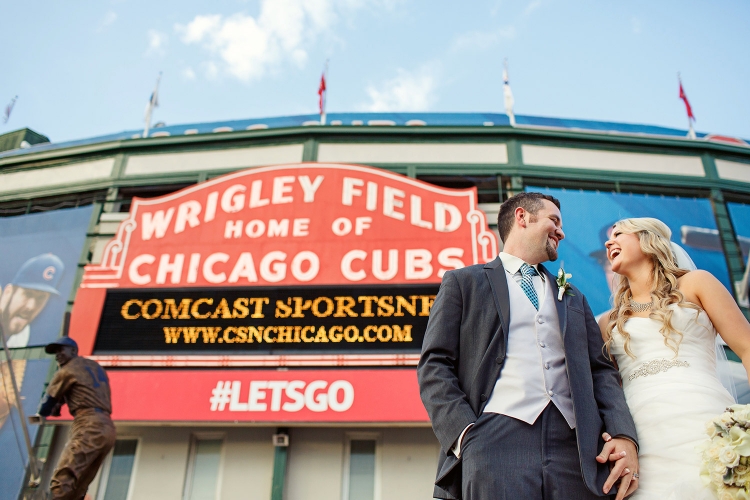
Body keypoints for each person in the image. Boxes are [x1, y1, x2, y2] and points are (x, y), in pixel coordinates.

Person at [418, 192, 639, 500]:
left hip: (575, 449)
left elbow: (600, 371)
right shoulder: (464, 282)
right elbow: (435, 364)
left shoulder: (573, 296)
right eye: (554, 221)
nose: (561, 232)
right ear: (522, 217)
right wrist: (465, 434)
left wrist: (623, 434)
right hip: (494, 440)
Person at [599, 217, 750, 499]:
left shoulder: (697, 283)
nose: (609, 242)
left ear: (648, 239)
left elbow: (746, 346)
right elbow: (608, 390)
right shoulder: (608, 323)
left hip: (704, 418)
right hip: (643, 436)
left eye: (619, 234)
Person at [35, 337, 116, 500]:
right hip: (107, 427)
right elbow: (85, 391)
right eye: (55, 352)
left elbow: (47, 403)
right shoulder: (94, 367)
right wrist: (62, 401)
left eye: (61, 350)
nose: (58, 355)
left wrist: (43, 412)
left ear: (73, 351)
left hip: (88, 424)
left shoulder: (68, 369)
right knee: (79, 485)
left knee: (63, 478)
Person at [1, 253, 65, 348]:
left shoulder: (23, 337)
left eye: (41, 298)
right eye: (27, 294)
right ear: (8, 292)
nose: (31, 307)